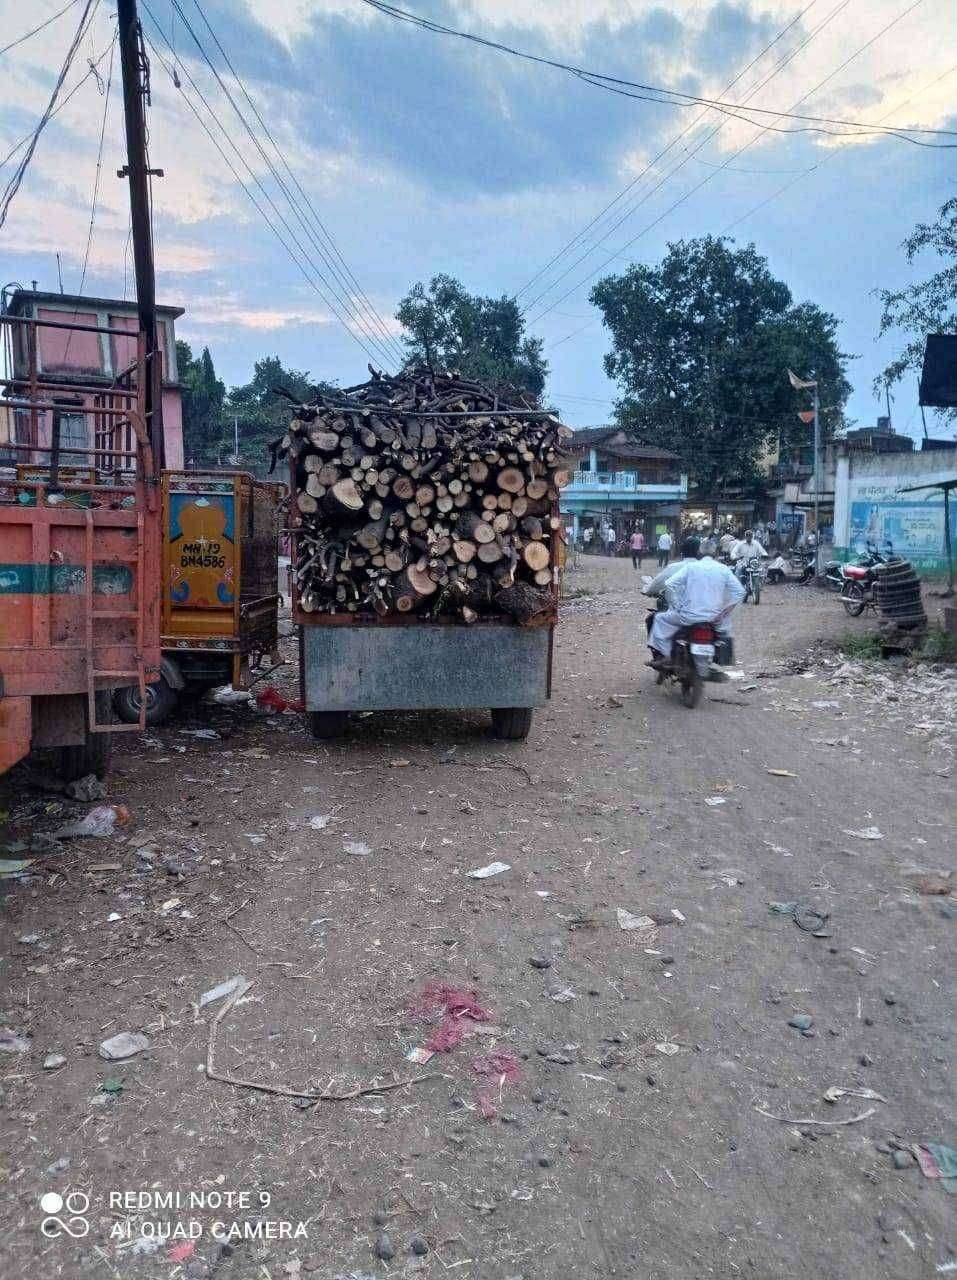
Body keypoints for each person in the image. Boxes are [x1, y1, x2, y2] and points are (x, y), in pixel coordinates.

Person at [647, 546, 745, 666]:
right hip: (715, 619)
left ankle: (667, 655)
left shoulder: (691, 568)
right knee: (725, 632)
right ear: (716, 554)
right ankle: (723, 658)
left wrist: (677, 605)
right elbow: (740, 591)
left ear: (699, 554)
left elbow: (669, 584)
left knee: (659, 619)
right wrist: (725, 611)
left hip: (689, 617)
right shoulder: (723, 569)